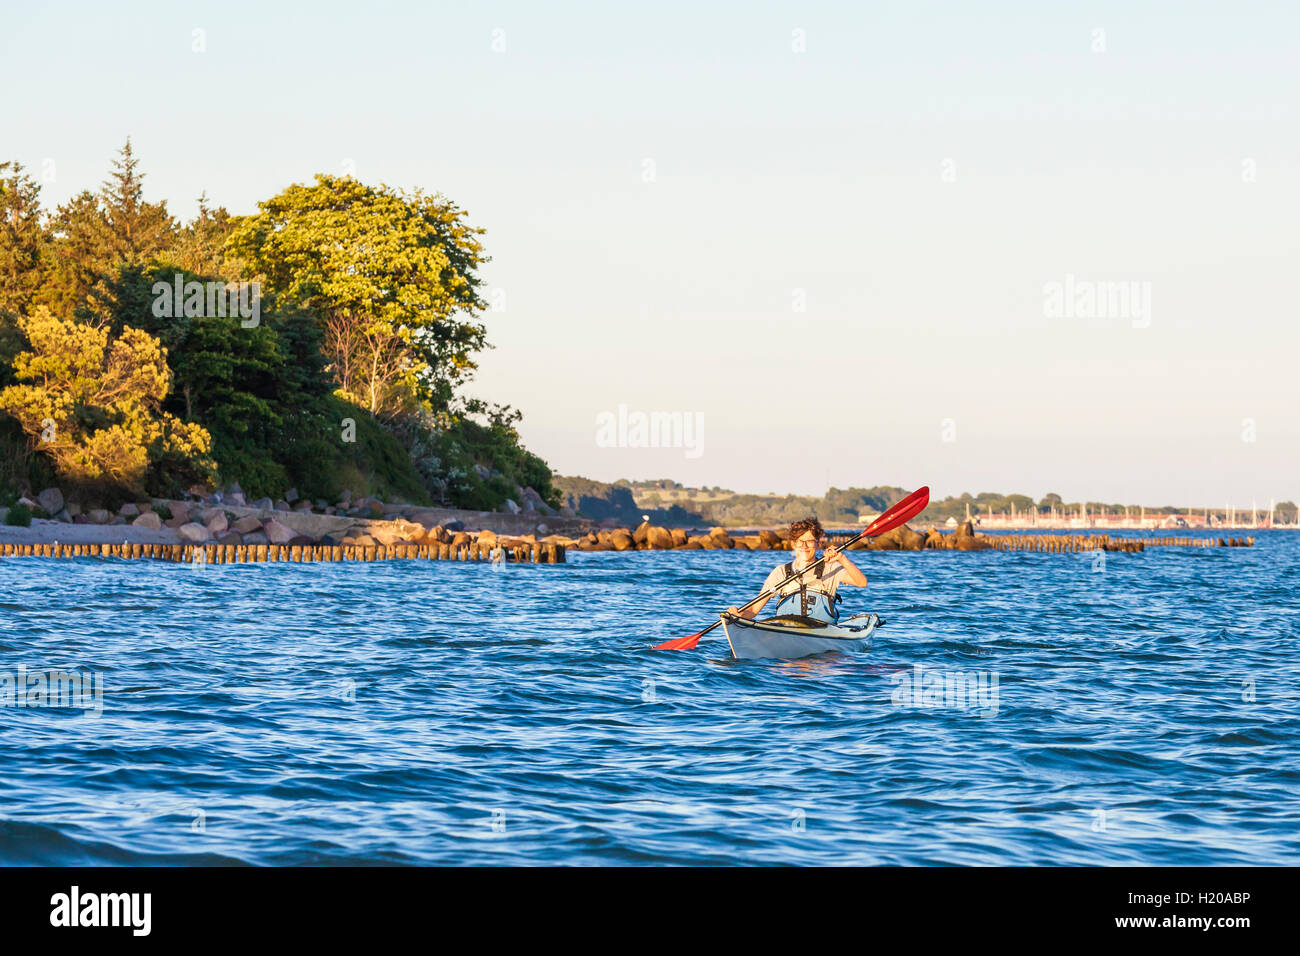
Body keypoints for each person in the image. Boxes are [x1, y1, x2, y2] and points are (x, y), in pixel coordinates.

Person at [727, 516, 868, 624]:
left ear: (818, 543)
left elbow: (862, 582)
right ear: (793, 544)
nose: (805, 546)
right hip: (788, 632)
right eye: (800, 541)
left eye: (810, 541)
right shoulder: (781, 572)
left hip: (823, 634)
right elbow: (753, 610)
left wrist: (841, 558)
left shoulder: (831, 568)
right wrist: (738, 616)